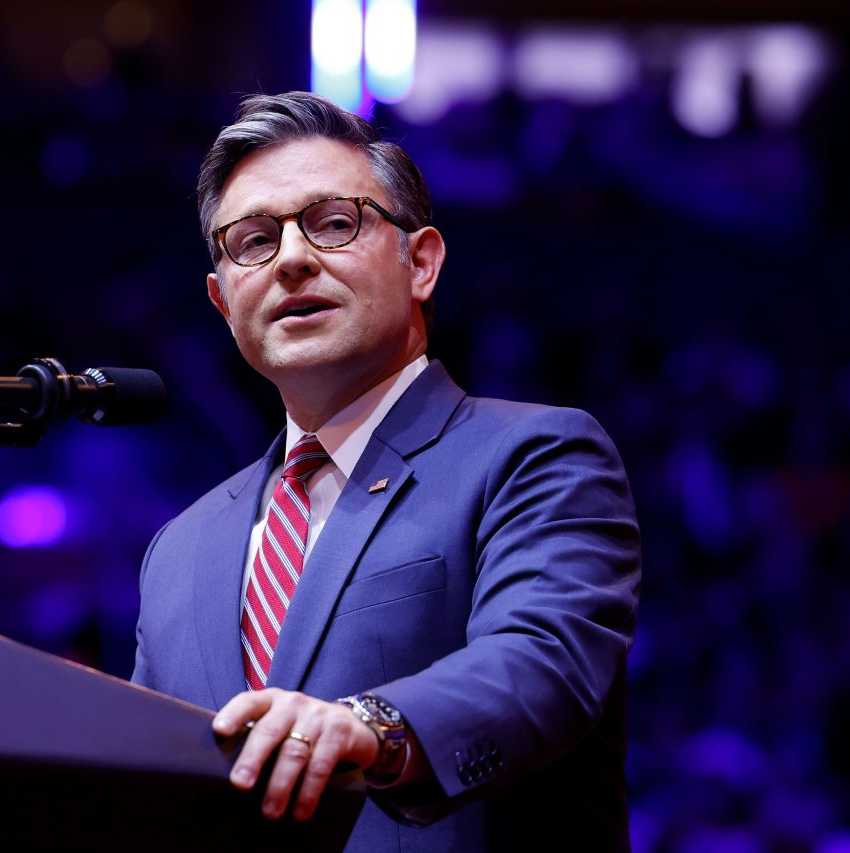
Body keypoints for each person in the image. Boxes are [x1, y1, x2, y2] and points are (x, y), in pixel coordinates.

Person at [131, 91, 641, 851]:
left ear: (422, 262)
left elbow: (543, 661)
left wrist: (370, 727)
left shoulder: (533, 455)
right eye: (253, 241)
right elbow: (144, 784)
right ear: (221, 300)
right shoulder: (180, 546)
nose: (294, 258)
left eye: (334, 224)